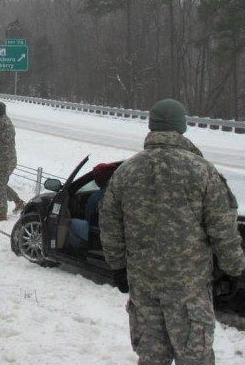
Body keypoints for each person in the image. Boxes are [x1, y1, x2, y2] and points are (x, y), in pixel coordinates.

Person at [99, 98, 245, 364]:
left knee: (152, 358)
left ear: (152, 126)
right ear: (182, 127)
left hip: (144, 288)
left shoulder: (126, 172)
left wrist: (118, 266)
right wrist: (233, 269)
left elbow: (109, 224)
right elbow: (223, 227)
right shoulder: (201, 171)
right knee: (195, 358)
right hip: (189, 291)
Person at [68, 162, 117, 249]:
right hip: (115, 232)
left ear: (99, 180)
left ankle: (76, 251)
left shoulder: (97, 196)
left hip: (99, 232)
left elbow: (88, 216)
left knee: (71, 223)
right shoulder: (121, 192)